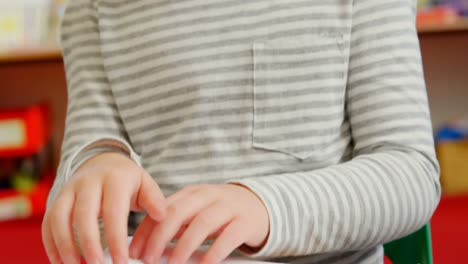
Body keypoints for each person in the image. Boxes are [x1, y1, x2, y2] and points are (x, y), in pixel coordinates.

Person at [42, 0, 441, 263]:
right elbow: (83, 166)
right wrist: (99, 163)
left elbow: (411, 172)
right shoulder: (92, 10)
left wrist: (266, 207)